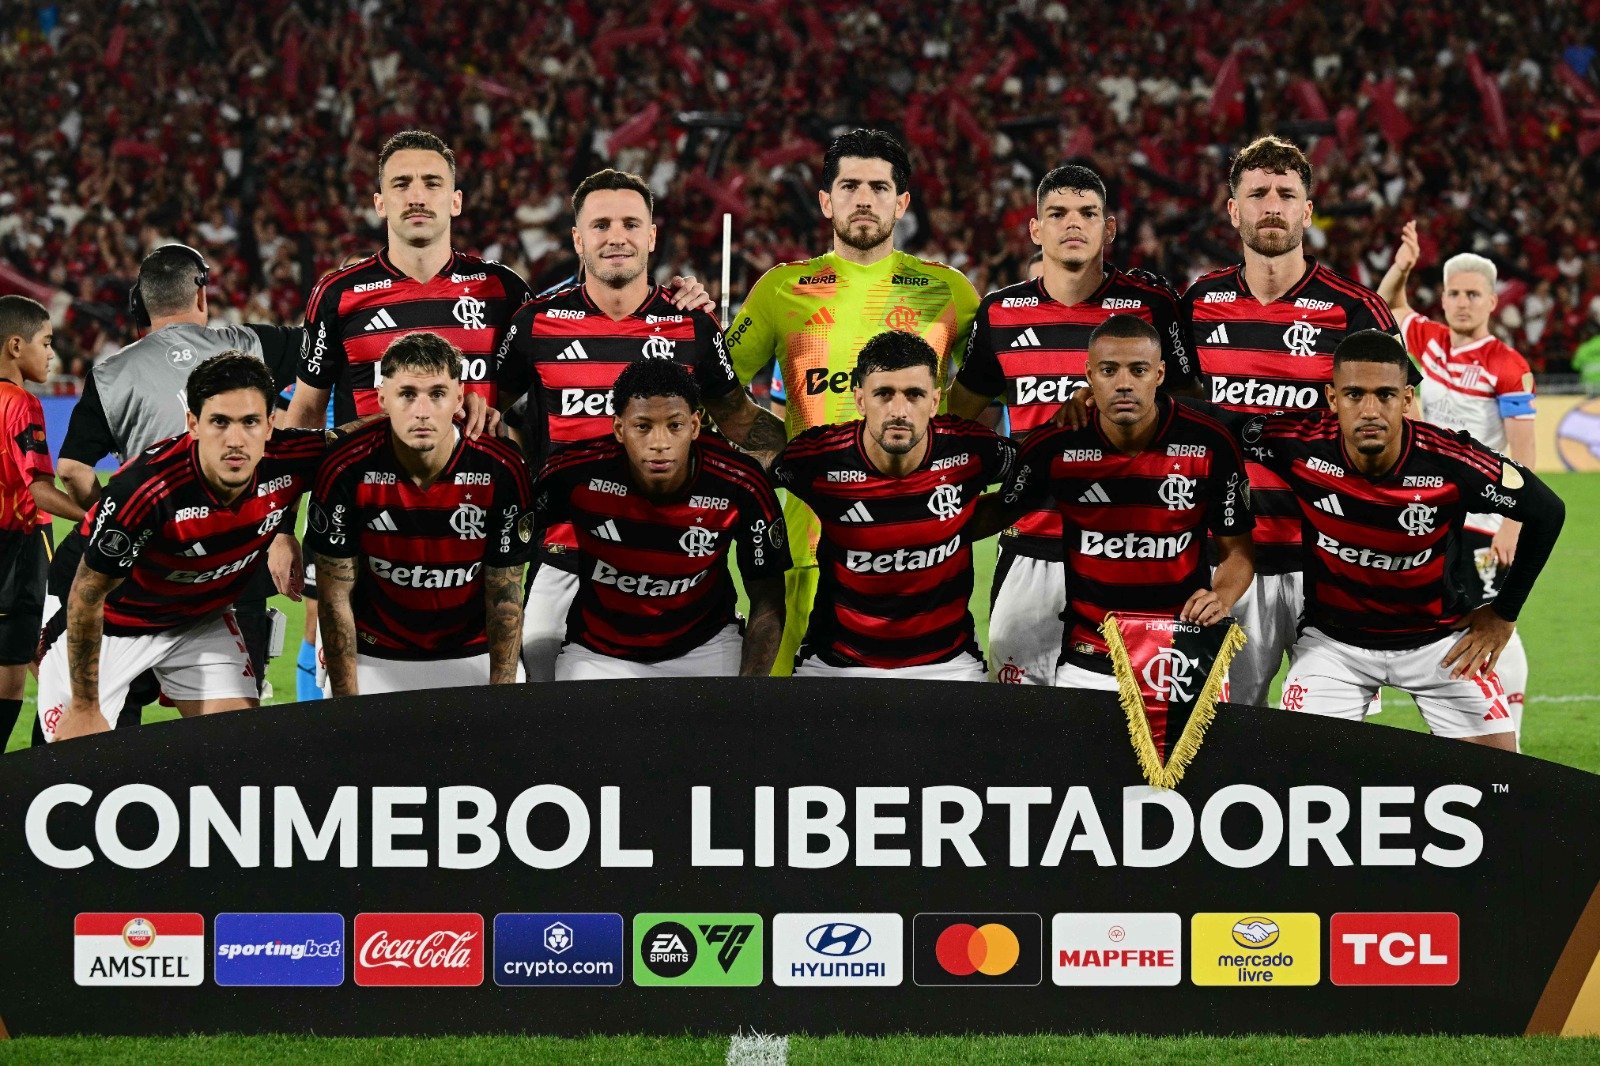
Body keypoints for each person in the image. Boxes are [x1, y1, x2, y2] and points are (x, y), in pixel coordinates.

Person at [497, 168, 784, 681]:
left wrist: (821, 455)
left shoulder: (692, 323)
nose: (617, 237)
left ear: (651, 236)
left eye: (630, 224)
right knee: (543, 691)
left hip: (674, 553)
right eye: (601, 225)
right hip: (566, 550)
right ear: (578, 239)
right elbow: (483, 414)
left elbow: (742, 423)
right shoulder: (534, 324)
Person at [726, 129, 981, 675]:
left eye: (879, 187)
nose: (864, 199)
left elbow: (993, 383)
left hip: (925, 545)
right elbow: (717, 388)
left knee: (921, 706)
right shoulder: (781, 288)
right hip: (809, 542)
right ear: (826, 201)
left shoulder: (950, 291)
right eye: (849, 187)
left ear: (902, 203)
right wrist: (777, 449)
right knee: (791, 712)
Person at [1235, 332, 1563, 750]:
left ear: (1407, 399)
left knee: (1501, 772)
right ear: (1332, 398)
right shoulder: (1295, 442)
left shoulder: (1453, 460)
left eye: (1385, 395)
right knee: (1306, 770)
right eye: (1354, 394)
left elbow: (1547, 511)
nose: (1370, 410)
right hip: (1335, 647)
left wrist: (1504, 612)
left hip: (1438, 644)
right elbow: (1216, 426)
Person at [945, 164, 1198, 686]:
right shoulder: (1000, 313)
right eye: (1058, 214)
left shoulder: (1152, 307)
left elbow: (1193, 416)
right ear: (1036, 229)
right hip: (1031, 542)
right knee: (1020, 714)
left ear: (1109, 228)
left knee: (1128, 716)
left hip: (1132, 549)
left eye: (1088, 213)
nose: (1073, 224)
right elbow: (956, 417)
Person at [1181, 135, 1401, 707]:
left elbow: (1402, 434)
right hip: (1228, 561)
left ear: (1307, 210)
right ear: (1234, 211)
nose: (1272, 206)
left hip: (1330, 562)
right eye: (1258, 194)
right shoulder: (1196, 304)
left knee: (1331, 734)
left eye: (1286, 194)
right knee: (1223, 729)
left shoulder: (1356, 310)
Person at [51, 243, 304, 718]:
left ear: (141, 304)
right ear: (201, 295)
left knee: (112, 719)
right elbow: (328, 350)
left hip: (144, 569)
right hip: (235, 560)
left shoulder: (111, 373)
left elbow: (72, 469)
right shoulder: (253, 346)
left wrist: (115, 518)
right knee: (231, 732)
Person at [37, 354, 333, 742]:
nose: (235, 440)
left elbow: (366, 441)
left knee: (240, 746)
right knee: (77, 755)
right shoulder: (147, 489)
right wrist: (84, 707)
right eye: (219, 422)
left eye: (250, 422)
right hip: (110, 619)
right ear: (192, 424)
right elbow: (87, 593)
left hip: (198, 618)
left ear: (270, 424)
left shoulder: (292, 456)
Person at [974, 315, 1252, 690]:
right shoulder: (1056, 443)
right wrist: (917, 522)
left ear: (1159, 374)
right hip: (1088, 657)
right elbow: (999, 511)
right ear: (1089, 375)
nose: (1124, 383)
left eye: (1138, 370)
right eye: (1109, 370)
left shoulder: (1211, 442)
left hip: (1182, 652)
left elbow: (1238, 551)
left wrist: (1222, 596)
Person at [771, 331, 1015, 680]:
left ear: (935, 401)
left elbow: (1036, 472)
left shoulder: (970, 448)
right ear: (860, 399)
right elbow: (748, 481)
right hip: (835, 662)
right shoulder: (819, 457)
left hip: (949, 662)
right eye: (883, 394)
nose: (899, 411)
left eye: (914, 395)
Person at [529, 359, 787, 679]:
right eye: (643, 426)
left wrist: (749, 689)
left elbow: (768, 597)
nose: (660, 444)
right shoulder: (572, 473)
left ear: (694, 426)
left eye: (675, 425)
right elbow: (507, 549)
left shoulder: (741, 483)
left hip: (708, 647)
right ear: (619, 429)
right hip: (598, 653)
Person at [306, 332, 531, 695]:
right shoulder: (345, 466)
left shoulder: (502, 467)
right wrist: (346, 703)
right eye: (407, 394)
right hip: (373, 651)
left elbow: (504, 594)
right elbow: (335, 597)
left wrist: (501, 695)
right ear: (382, 398)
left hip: (471, 650)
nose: (422, 411)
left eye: (437, 394)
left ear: (459, 397)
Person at [1377, 223, 1537, 731]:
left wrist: (1513, 524)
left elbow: (1524, 454)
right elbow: (1386, 306)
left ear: (1492, 301)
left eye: (1472, 294)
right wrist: (1402, 268)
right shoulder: (1428, 339)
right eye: (1453, 293)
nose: (1462, 302)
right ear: (1442, 298)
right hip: (1433, 508)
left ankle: (1510, 732)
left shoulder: (1507, 366)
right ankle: (1464, 728)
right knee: (1440, 625)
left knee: (1491, 623)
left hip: (1485, 516)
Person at [284, 130, 532, 432]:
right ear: (380, 204)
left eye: (432, 183)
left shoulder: (505, 290)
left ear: (456, 202)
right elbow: (308, 408)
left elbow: (528, 400)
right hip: (368, 464)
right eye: (401, 184)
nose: (417, 198)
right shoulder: (337, 294)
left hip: (477, 464)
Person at [0, 297, 84, 740]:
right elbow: (39, 490)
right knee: (46, 663)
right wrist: (97, 515)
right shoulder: (23, 404)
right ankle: (49, 766)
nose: (52, 354)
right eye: (46, 342)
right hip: (22, 547)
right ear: (16, 346)